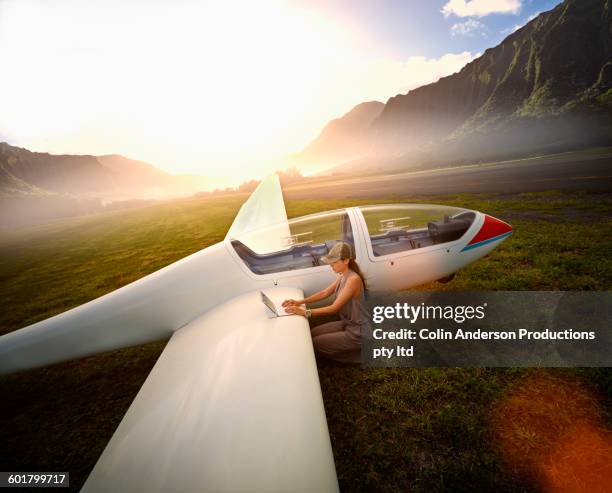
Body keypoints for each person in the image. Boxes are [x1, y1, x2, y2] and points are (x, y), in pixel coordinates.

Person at [283, 242, 369, 364]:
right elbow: (324, 293)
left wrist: (305, 312)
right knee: (311, 335)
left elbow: (334, 308)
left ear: (346, 261)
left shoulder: (353, 279)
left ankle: (361, 355)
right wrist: (298, 302)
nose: (331, 266)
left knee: (314, 344)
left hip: (358, 332)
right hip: (347, 324)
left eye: (334, 262)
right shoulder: (342, 276)